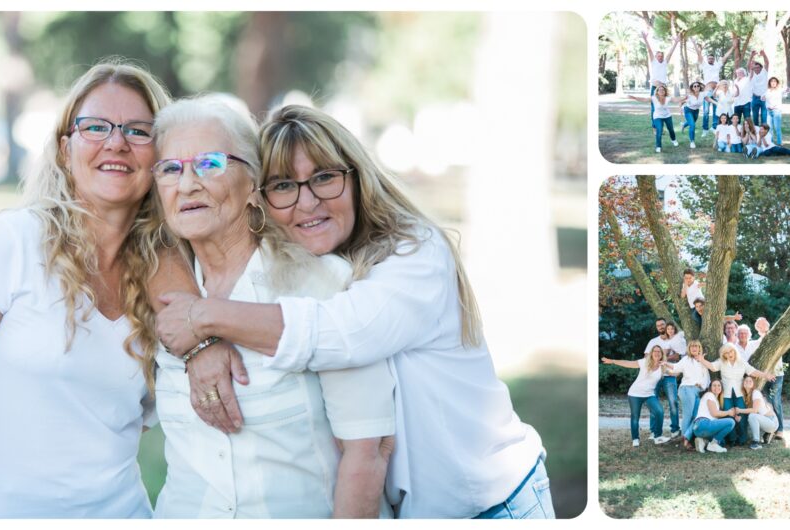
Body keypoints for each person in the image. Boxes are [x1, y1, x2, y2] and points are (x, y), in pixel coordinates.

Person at [155, 104, 551, 518]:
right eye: (285, 186)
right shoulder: (306, 265)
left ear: (356, 177)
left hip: (489, 505)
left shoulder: (414, 252)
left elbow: (342, 334)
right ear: (263, 196)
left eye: (324, 178)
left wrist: (203, 321)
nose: (307, 203)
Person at [0, 60, 178, 517]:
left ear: (159, 155)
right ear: (65, 149)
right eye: (96, 126)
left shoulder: (164, 274)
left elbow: (121, 416)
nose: (117, 142)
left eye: (138, 130)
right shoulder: (13, 242)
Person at [148, 97, 396, 518]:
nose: (187, 183)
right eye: (171, 168)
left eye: (209, 163)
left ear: (252, 184)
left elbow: (367, 450)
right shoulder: (158, 285)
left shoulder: (322, 284)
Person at [695, 343, 776, 446]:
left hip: (739, 393)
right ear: (724, 355)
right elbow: (712, 367)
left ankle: (742, 439)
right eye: (726, 353)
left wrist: (766, 375)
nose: (729, 354)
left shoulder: (741, 362)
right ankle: (732, 439)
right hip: (726, 394)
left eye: (731, 351)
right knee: (728, 415)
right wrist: (702, 360)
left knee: (742, 416)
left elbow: (753, 371)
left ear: (735, 351)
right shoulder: (721, 362)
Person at [602, 346, 672, 447]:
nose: (657, 353)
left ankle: (658, 437)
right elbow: (628, 363)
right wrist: (612, 361)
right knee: (635, 416)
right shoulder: (644, 362)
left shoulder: (663, 367)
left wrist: (668, 365)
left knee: (659, 411)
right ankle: (635, 439)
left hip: (649, 395)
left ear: (662, 354)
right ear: (651, 353)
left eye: (659, 352)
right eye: (655, 351)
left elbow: (675, 373)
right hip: (635, 394)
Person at [662, 340, 711, 450]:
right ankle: (685, 440)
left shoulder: (703, 361)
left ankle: (688, 438)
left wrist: (703, 386)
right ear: (689, 348)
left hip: (699, 391)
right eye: (692, 346)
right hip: (687, 389)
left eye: (697, 346)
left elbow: (707, 377)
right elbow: (675, 367)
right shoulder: (686, 360)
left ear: (700, 348)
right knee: (688, 416)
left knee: (696, 416)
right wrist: (665, 364)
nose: (694, 348)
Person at [751, 318, 787, 441]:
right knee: (766, 402)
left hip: (776, 374)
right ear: (757, 328)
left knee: (775, 400)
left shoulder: (775, 338)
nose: (762, 327)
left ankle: (780, 429)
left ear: (768, 325)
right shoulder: (757, 343)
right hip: (764, 376)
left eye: (764, 325)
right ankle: (770, 428)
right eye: (760, 326)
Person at [626, 85, 683, 153]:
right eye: (660, 90)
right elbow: (644, 99)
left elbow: (676, 100)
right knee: (659, 130)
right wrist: (634, 97)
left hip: (667, 116)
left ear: (665, 91)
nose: (661, 91)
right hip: (658, 116)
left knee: (671, 129)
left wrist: (685, 97)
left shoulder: (668, 98)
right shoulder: (653, 98)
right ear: (657, 91)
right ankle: (658, 146)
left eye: (663, 90)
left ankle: (673, 140)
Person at [642, 31, 680, 128]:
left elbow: (671, 52)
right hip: (655, 88)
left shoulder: (665, 62)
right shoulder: (653, 62)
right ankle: (655, 126)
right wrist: (645, 39)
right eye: (658, 56)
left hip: (663, 88)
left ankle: (662, 123)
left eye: (661, 56)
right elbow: (649, 50)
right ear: (655, 57)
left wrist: (676, 42)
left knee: (664, 106)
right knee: (653, 107)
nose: (660, 57)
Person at [690, 379, 738, 454]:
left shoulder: (715, 401)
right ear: (710, 387)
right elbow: (714, 413)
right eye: (714, 385)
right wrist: (728, 412)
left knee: (722, 442)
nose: (717, 387)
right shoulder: (709, 395)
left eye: (719, 385)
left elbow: (717, 418)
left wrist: (733, 414)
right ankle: (713, 444)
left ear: (721, 388)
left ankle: (703, 441)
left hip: (699, 429)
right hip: (703, 424)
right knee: (731, 422)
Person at [655, 323, 684, 438]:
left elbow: (677, 356)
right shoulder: (664, 342)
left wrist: (663, 358)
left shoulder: (679, 338)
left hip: (670, 375)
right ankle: (655, 431)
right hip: (658, 375)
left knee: (673, 402)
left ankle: (675, 429)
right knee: (654, 402)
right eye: (668, 329)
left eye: (672, 328)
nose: (670, 330)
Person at [738, 375, 778, 449]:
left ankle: (756, 442)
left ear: (753, 384)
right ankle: (767, 434)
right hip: (766, 420)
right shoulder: (747, 395)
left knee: (752, 416)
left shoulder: (755, 393)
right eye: (746, 380)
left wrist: (739, 410)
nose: (748, 382)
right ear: (743, 383)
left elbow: (754, 410)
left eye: (750, 381)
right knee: (752, 416)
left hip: (772, 421)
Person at [748, 50, 771, 126]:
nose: (756, 69)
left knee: (764, 117)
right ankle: (756, 132)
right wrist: (751, 56)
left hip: (764, 97)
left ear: (761, 68)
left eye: (758, 67)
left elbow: (767, 63)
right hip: (754, 98)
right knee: (755, 117)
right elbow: (749, 65)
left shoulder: (764, 72)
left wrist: (764, 54)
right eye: (755, 68)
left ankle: (765, 133)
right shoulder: (751, 74)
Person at [680, 82, 705, 148]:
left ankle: (683, 125)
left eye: (698, 86)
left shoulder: (702, 94)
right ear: (692, 88)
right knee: (692, 125)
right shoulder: (689, 95)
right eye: (695, 86)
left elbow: (708, 98)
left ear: (700, 87)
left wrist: (715, 103)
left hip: (696, 111)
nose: (696, 87)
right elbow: (681, 101)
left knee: (691, 123)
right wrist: (680, 109)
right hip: (688, 110)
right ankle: (692, 141)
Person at [765, 77, 786, 145]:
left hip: (776, 110)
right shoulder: (767, 91)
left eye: (774, 81)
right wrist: (768, 106)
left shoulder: (779, 90)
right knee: (770, 128)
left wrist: (787, 89)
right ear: (769, 83)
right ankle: (771, 143)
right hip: (769, 111)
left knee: (777, 128)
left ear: (777, 83)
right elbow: (764, 99)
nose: (773, 83)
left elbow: (786, 91)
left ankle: (779, 143)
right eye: (771, 81)